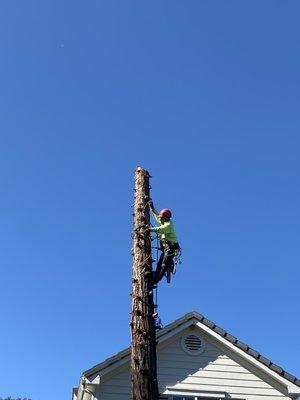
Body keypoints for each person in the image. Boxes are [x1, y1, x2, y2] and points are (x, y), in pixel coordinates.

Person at [148, 201, 180, 284]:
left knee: (163, 265)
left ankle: (155, 280)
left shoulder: (168, 225)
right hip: (166, 248)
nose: (160, 219)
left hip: (170, 248)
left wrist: (149, 229)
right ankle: (155, 276)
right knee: (159, 264)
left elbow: (160, 229)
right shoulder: (164, 221)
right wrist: (152, 208)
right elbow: (157, 217)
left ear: (165, 218)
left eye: (162, 217)